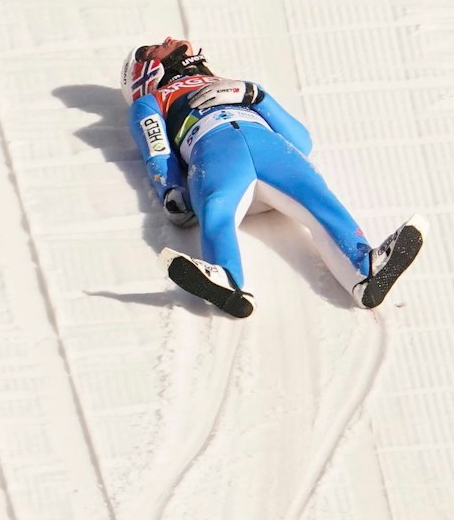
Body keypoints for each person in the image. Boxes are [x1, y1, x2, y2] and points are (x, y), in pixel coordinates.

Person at [121, 37, 423, 318]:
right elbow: (156, 149)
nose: (170, 40)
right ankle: (226, 279)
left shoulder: (235, 84)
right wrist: (170, 189)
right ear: (145, 72)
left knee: (319, 199)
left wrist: (257, 96)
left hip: (271, 149)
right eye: (154, 48)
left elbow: (301, 142)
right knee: (216, 209)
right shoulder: (152, 101)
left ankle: (364, 272)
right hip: (212, 150)